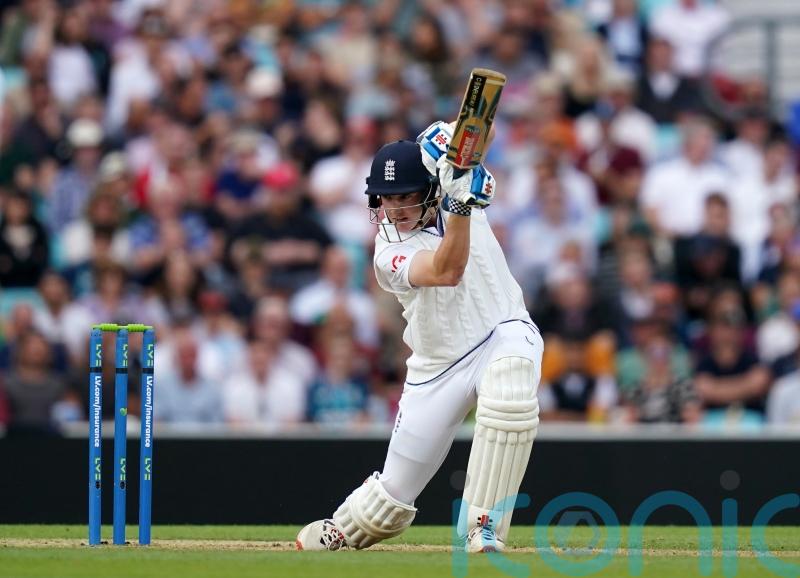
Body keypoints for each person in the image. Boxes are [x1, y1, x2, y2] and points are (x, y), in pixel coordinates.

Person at [296, 121, 544, 553]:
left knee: (510, 391)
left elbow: (475, 131)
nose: (395, 209)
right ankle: (346, 526)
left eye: (405, 195)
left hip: (503, 330)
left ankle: (482, 527)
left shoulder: (444, 174)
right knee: (387, 506)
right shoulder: (386, 251)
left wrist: (466, 161)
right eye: (387, 198)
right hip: (437, 364)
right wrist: (462, 206)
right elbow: (447, 271)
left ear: (427, 189)